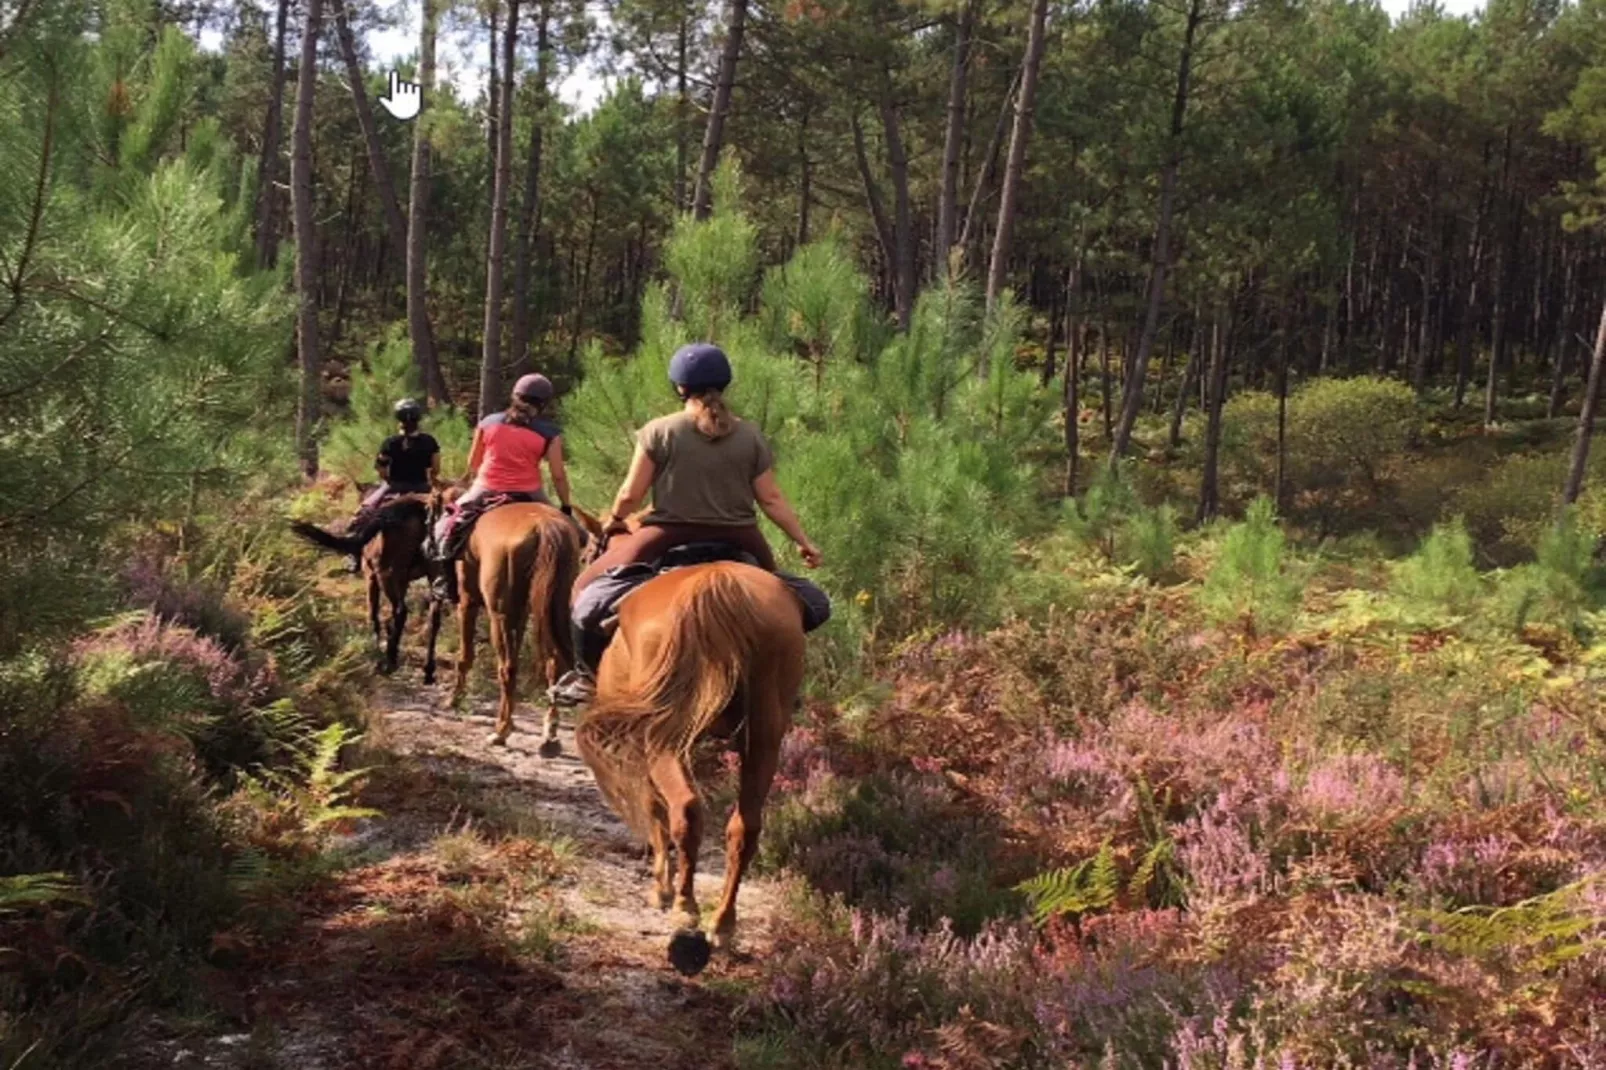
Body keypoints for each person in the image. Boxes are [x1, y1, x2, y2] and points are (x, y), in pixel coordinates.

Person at [549, 342, 824, 706]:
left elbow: (632, 493)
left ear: (680, 387)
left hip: (668, 533)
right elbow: (771, 499)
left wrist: (615, 521)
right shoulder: (750, 435)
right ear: (725, 384)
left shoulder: (660, 430)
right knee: (806, 603)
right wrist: (803, 540)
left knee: (586, 593)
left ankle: (586, 678)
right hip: (742, 537)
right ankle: (783, 684)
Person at [430, 373, 574, 605]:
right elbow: (558, 475)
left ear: (514, 396)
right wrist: (566, 506)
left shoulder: (488, 423)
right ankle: (571, 592)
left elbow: (473, 464)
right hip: (530, 492)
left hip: (486, 487)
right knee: (579, 537)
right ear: (544, 402)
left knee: (442, 529)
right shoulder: (550, 433)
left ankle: (445, 583)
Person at [340, 398, 441, 573]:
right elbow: (436, 469)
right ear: (419, 419)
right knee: (445, 519)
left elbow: (381, 468)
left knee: (361, 514)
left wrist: (387, 479)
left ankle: (353, 555)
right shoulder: (429, 442)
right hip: (423, 488)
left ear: (398, 419)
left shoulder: (390, 442)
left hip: (394, 488)